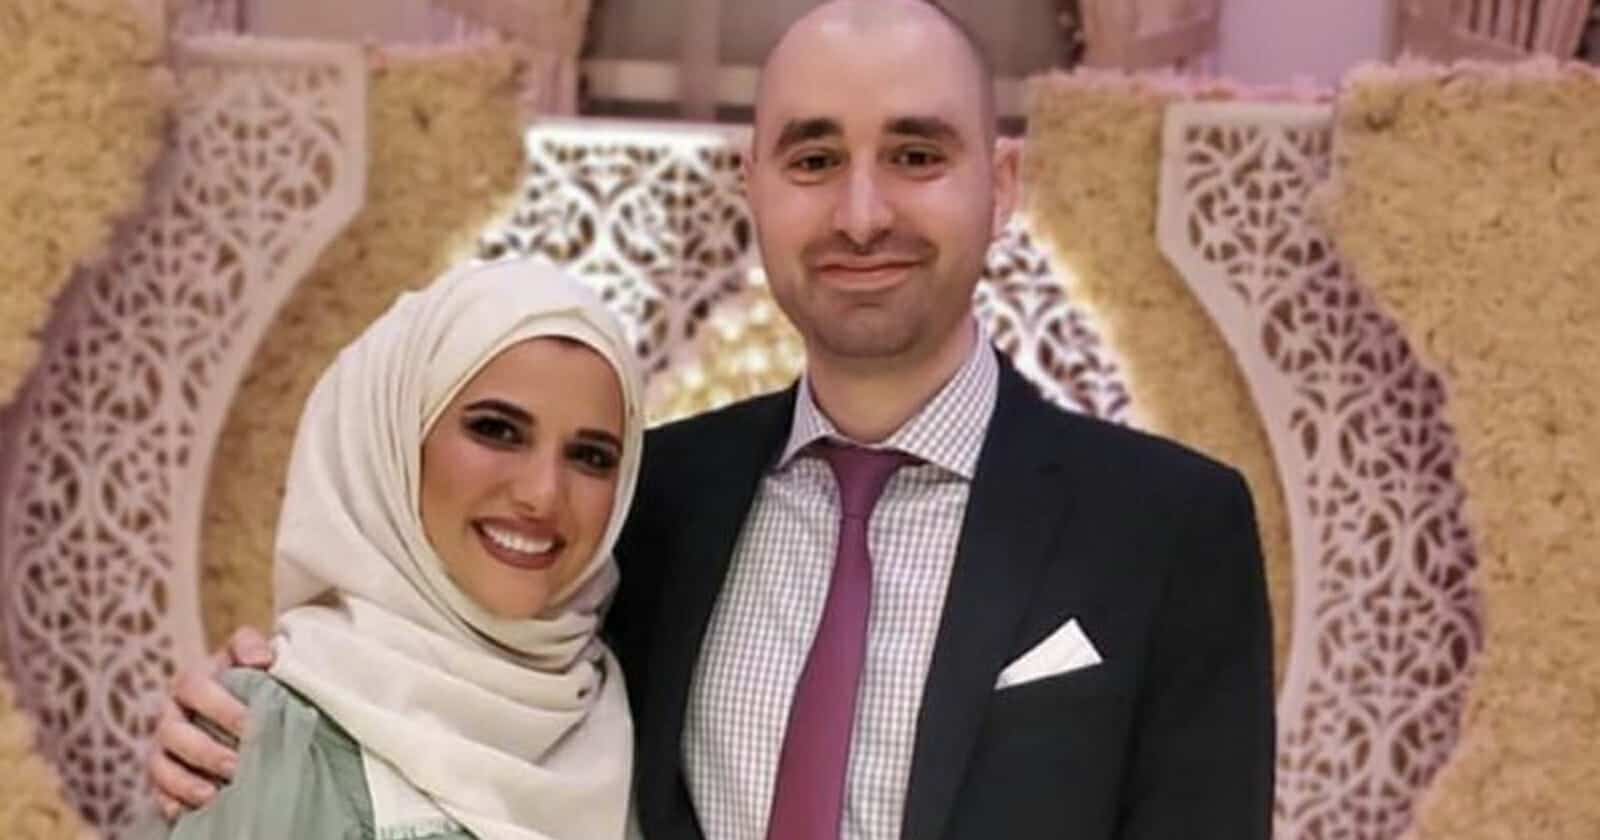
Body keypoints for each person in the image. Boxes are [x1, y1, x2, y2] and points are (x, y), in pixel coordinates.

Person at [151, 1, 1275, 838]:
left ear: (1004, 183)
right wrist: (263, 710)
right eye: (814, 157)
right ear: (754, 186)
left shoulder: (1168, 531)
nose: (862, 211)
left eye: (916, 155)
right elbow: (464, 668)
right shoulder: (648, 501)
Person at [146, 257, 644, 838]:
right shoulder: (272, 735)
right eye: (496, 430)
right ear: (394, 439)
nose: (542, 494)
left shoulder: (636, 720)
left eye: (591, 457)